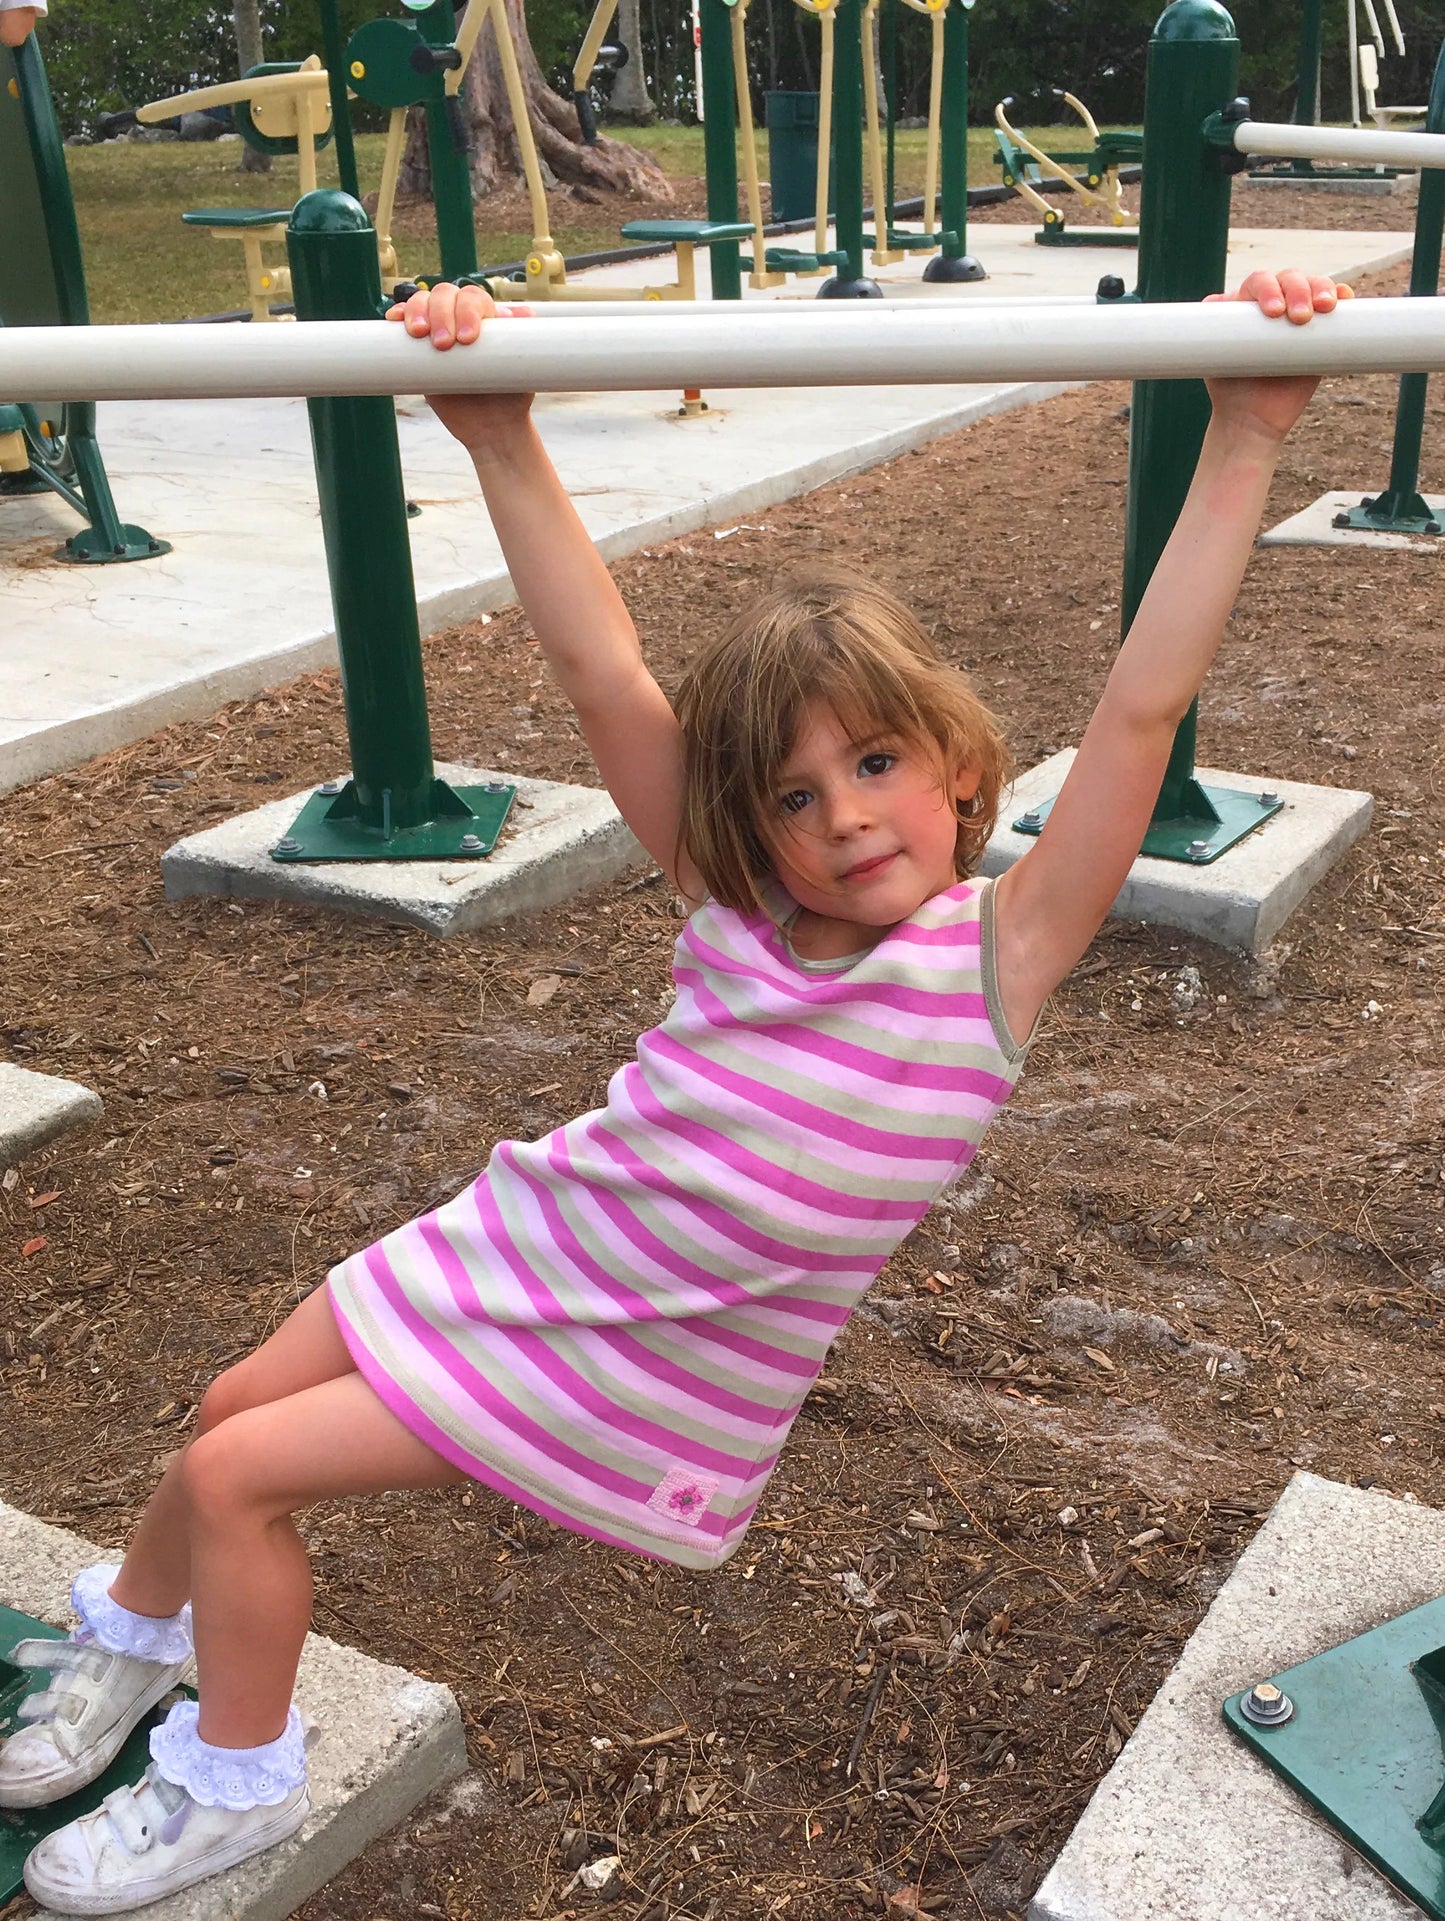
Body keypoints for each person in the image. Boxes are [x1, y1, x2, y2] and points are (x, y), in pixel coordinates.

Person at [2, 267, 1348, 1912]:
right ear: (748, 826)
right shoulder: (732, 912)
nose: (843, 815)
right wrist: (498, 435)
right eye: (793, 791)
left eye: (873, 763)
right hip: (529, 1234)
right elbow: (605, 678)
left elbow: (1142, 700)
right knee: (226, 1403)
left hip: (640, 1356)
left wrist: (1245, 437)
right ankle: (136, 1639)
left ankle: (239, 1776)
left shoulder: (1002, 951)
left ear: (959, 769)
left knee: (235, 1474)